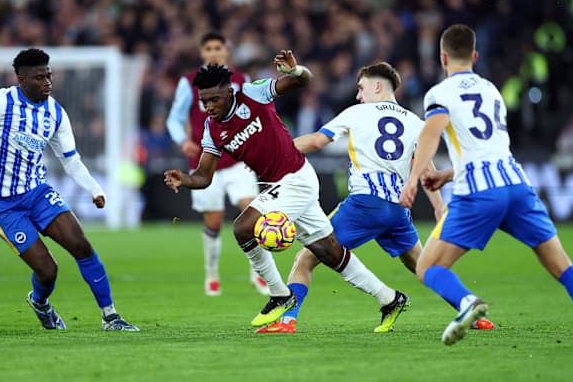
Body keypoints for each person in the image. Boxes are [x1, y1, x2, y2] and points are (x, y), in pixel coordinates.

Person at [399, 24, 573, 353]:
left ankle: (467, 301)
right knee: (564, 267)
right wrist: (447, 176)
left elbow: (431, 135)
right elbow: (488, 146)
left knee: (428, 267)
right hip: (517, 186)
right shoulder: (492, 90)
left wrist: (413, 177)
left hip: (478, 192)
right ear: (475, 56)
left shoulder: (439, 94)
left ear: (443, 58)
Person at [164, 50, 405, 331]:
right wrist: (184, 179)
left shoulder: (253, 94)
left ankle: (280, 295)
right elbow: (204, 176)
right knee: (329, 252)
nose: (209, 107)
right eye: (204, 102)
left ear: (230, 91)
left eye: (214, 99)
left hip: (296, 178)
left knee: (243, 227)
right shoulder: (212, 129)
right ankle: (390, 298)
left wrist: (294, 71)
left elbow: (304, 81)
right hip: (279, 186)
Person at [255, 61, 493, 333]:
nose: (358, 95)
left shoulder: (358, 113)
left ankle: (287, 321)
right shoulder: (414, 122)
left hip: (365, 205)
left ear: (377, 86)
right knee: (425, 265)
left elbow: (315, 142)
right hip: (398, 211)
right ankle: (471, 310)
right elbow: (427, 169)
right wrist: (440, 209)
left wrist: (270, 152)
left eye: (361, 88)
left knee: (305, 259)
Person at [0, 48, 138, 332]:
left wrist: (95, 189)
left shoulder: (55, 113)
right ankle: (40, 302)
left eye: (49, 75)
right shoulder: (1, 102)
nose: (47, 82)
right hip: (3, 204)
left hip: (37, 192)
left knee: (81, 245)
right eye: (39, 77)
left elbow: (71, 161)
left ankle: (111, 317)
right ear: (21, 80)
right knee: (48, 271)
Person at [166, 31, 268, 296]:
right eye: (208, 48)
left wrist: (254, 150)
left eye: (217, 48)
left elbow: (251, 116)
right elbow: (174, 118)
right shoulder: (189, 82)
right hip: (205, 162)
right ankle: (212, 272)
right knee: (213, 221)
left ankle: (259, 273)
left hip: (237, 159)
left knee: (252, 213)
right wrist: (183, 140)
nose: (213, 52)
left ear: (226, 51)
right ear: (202, 53)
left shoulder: (240, 80)